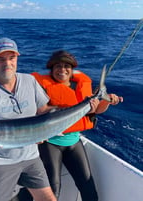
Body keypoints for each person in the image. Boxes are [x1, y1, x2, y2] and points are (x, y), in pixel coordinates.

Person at [0, 38, 57, 201]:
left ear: (17, 59)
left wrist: (82, 108)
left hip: (30, 156)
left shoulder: (30, 81)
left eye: (12, 58)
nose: (7, 63)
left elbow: (43, 111)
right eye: (1, 58)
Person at [28, 50, 123, 201]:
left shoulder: (80, 85)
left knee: (88, 185)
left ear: (72, 69)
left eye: (66, 66)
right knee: (52, 189)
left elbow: (95, 110)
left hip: (73, 141)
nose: (62, 70)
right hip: (49, 143)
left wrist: (106, 101)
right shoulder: (40, 87)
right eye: (57, 66)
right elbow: (35, 111)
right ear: (51, 69)